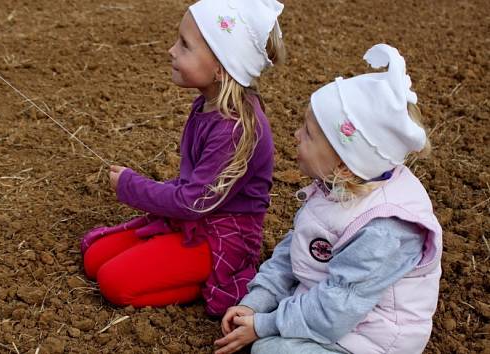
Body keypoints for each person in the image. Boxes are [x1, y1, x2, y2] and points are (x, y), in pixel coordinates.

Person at [215, 44, 442, 354]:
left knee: (269, 349)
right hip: (331, 310)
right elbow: (294, 250)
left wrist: (265, 325)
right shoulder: (336, 187)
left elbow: (337, 308)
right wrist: (256, 304)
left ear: (345, 165)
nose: (296, 135)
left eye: (308, 133)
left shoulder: (385, 229)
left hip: (368, 339)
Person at [80, 0, 286, 316]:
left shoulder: (235, 128)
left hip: (223, 236)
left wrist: (130, 186)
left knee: (113, 282)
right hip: (196, 217)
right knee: (95, 257)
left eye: (185, 45)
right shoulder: (207, 104)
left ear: (221, 66)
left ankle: (214, 279)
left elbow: (192, 202)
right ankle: (177, 267)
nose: (171, 51)